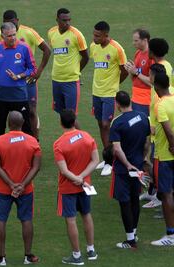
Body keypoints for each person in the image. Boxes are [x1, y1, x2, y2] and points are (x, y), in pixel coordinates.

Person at [0, 111, 41, 265]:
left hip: (3, 189)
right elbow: (36, 167)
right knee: (26, 220)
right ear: (22, 123)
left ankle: (1, 257)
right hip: (25, 190)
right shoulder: (32, 141)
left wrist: (11, 184)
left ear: (8, 124)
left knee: (0, 220)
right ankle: (28, 256)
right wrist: (22, 185)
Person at [0, 10, 50, 139]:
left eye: (13, 23)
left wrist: (38, 72)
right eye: (8, 23)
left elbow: (47, 50)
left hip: (28, 80)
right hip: (8, 84)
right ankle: (12, 142)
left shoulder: (29, 32)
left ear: (17, 20)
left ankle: (35, 141)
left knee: (31, 112)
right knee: (7, 113)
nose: (12, 26)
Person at [53, 109, 99, 265]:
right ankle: (91, 250)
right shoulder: (87, 136)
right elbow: (95, 160)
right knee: (86, 215)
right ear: (74, 121)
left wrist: (77, 179)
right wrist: (83, 178)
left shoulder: (59, 144)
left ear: (61, 123)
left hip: (68, 188)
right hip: (85, 185)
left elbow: (64, 171)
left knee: (71, 220)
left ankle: (77, 255)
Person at [109, 91, 150, 249]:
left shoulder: (117, 123)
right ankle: (134, 232)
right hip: (138, 166)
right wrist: (144, 158)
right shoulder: (143, 117)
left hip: (123, 169)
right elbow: (147, 142)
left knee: (124, 202)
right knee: (134, 199)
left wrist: (127, 164)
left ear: (117, 104)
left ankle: (130, 240)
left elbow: (117, 150)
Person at [90, 21, 128, 176]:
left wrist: (115, 84)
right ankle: (107, 157)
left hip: (110, 94)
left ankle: (110, 160)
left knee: (107, 124)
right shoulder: (94, 47)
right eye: (94, 34)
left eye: (97, 35)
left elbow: (124, 70)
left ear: (106, 35)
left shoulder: (117, 49)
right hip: (96, 92)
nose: (94, 38)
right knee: (100, 124)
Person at [48, 8, 89, 128]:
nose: (67, 23)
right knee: (61, 115)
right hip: (56, 80)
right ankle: (68, 141)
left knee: (71, 116)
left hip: (70, 81)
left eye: (69, 20)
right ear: (57, 20)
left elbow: (86, 57)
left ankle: (83, 141)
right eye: (64, 20)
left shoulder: (76, 35)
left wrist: (76, 72)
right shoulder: (51, 33)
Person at [150, 73, 174, 246]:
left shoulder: (160, 105)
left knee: (166, 195)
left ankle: (170, 235)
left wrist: (173, 147)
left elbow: (168, 131)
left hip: (164, 155)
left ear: (157, 87)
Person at [124, 29, 153, 115]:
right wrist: (130, 70)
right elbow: (134, 78)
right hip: (135, 98)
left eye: (136, 40)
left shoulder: (151, 56)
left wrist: (136, 72)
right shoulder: (138, 53)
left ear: (145, 40)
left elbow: (152, 82)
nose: (133, 43)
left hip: (146, 100)